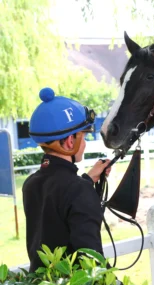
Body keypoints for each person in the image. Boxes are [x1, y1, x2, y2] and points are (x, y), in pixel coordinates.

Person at [23, 87, 111, 272]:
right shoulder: (78, 190)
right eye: (83, 136)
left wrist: (88, 179)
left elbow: (57, 211)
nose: (84, 143)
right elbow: (92, 263)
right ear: (71, 141)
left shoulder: (30, 184)